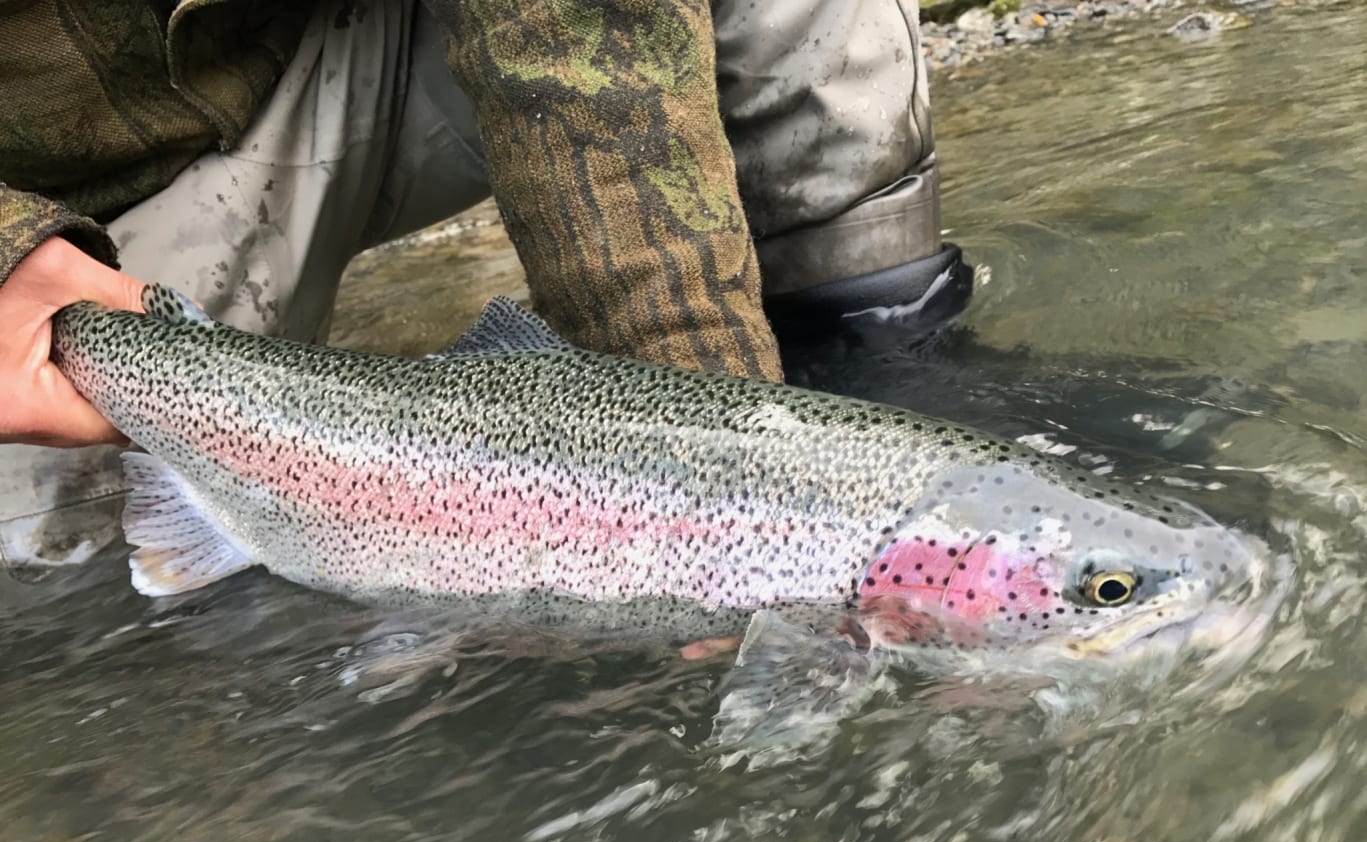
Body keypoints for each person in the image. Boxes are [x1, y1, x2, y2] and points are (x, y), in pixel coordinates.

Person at [0, 0, 969, 572]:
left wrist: (712, 432)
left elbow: (575, 27)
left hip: (367, 34)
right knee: (69, 555)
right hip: (76, 196)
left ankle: (875, 371)